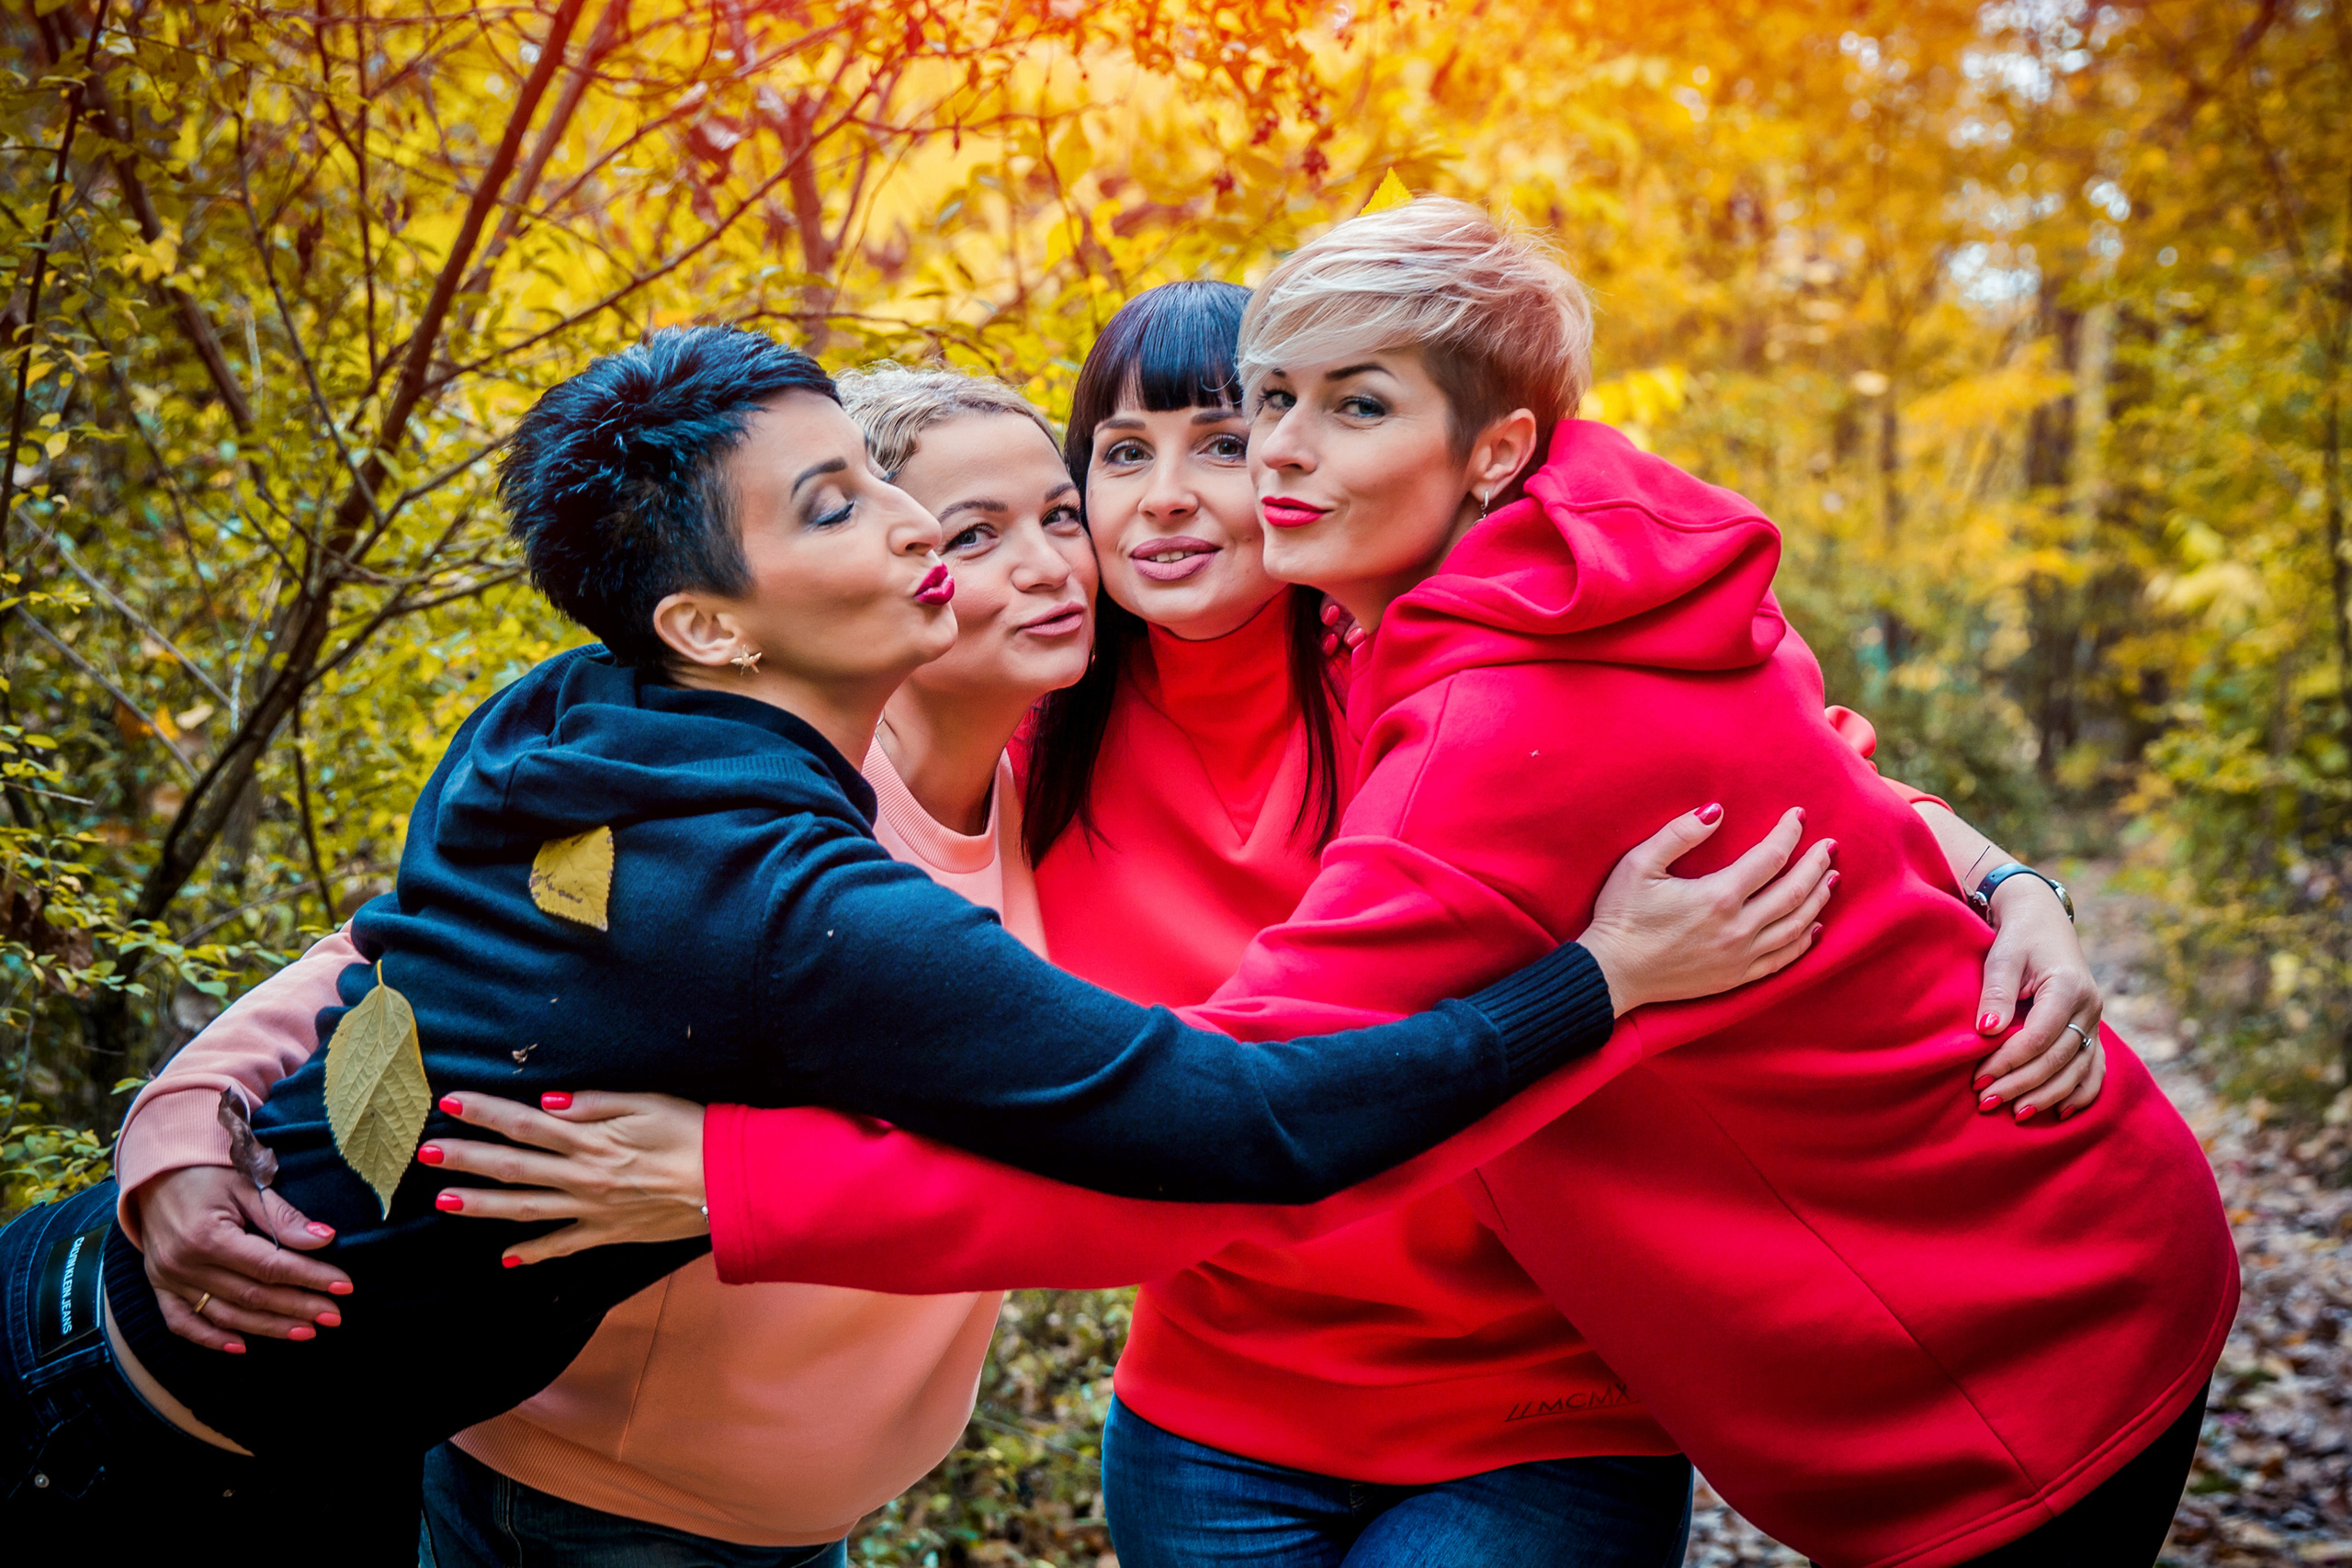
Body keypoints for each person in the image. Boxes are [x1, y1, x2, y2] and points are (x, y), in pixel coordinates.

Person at [449, 204, 2231, 1568]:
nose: (1198, 483)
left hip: (1542, 1392)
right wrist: (215, 1124)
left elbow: (1813, 765)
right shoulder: (1039, 724)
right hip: (1216, 1399)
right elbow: (603, 842)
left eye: (1252, 428)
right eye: (1120, 454)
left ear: (1482, 453)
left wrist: (2017, 878)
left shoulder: (1415, 684)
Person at [0, 324, 1832, 1557]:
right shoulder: (772, 868)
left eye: (1052, 509)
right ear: (710, 624)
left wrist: (1998, 890)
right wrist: (1597, 986)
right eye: (919, 518)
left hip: (688, 1485)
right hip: (431, 1460)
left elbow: (1657, 718)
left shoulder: (1010, 761)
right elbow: (1235, 1125)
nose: (1005, 556)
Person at [108, 367, 1096, 1565]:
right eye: (971, 533)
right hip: (604, 1498)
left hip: (803, 1511)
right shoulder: (740, 817)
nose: (1047, 564)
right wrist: (176, 1125)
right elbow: (394, 951)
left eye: (1061, 515)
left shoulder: (1048, 788)